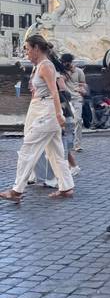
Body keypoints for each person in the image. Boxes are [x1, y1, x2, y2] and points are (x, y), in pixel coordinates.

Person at [0, 34, 75, 202]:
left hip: (47, 112)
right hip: (42, 110)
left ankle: (17, 191)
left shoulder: (46, 66)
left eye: (27, 49)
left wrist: (58, 114)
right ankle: (66, 187)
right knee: (55, 152)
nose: (26, 52)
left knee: (28, 150)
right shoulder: (40, 65)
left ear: (36, 48)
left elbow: (54, 91)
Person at [60, 53, 87, 152]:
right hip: (65, 99)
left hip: (77, 98)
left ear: (71, 62)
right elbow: (60, 81)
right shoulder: (61, 72)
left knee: (78, 120)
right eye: (64, 63)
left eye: (67, 63)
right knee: (65, 122)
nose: (66, 64)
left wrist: (82, 90)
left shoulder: (79, 71)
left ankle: (77, 144)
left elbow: (83, 84)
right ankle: (66, 143)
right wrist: (68, 73)